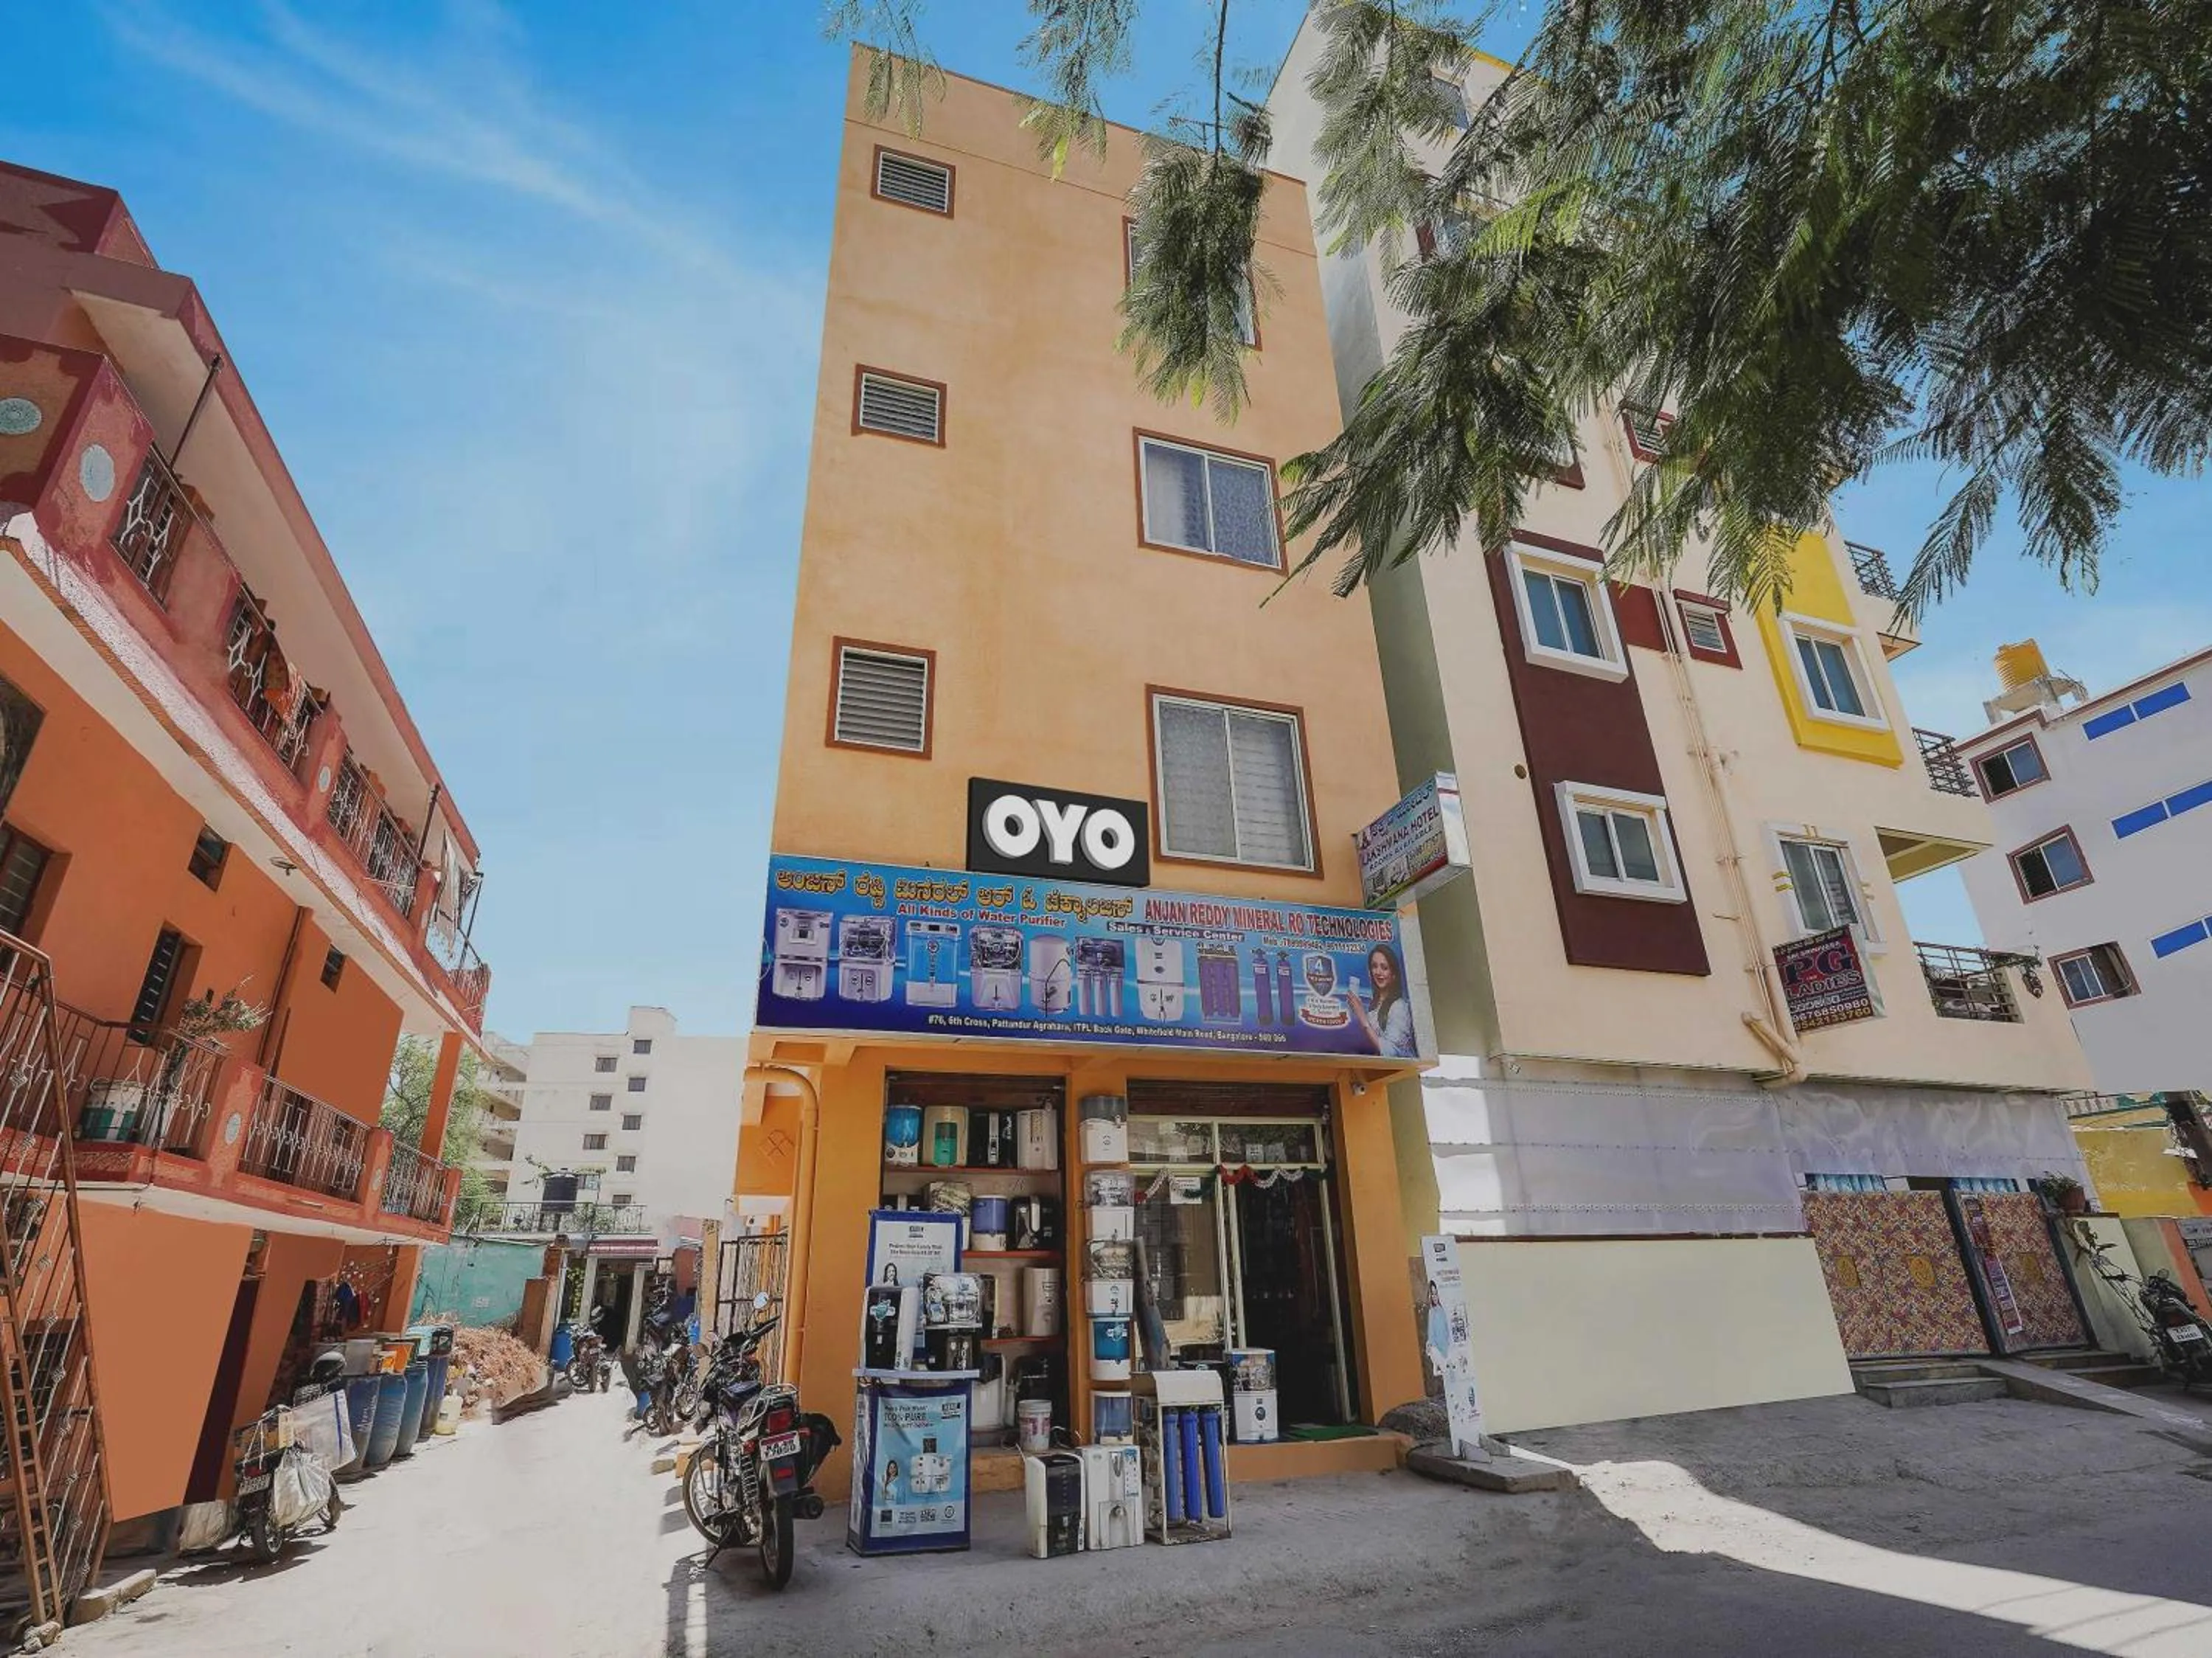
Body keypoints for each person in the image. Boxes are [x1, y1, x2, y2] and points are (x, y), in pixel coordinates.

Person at [1349, 943, 1418, 1058]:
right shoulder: (1374, 1005)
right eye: (1374, 966)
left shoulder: (1399, 1007)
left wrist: (1363, 1018)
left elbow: (1391, 1052)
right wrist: (1355, 1012)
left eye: (1384, 968)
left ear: (1394, 975)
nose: (1378, 972)